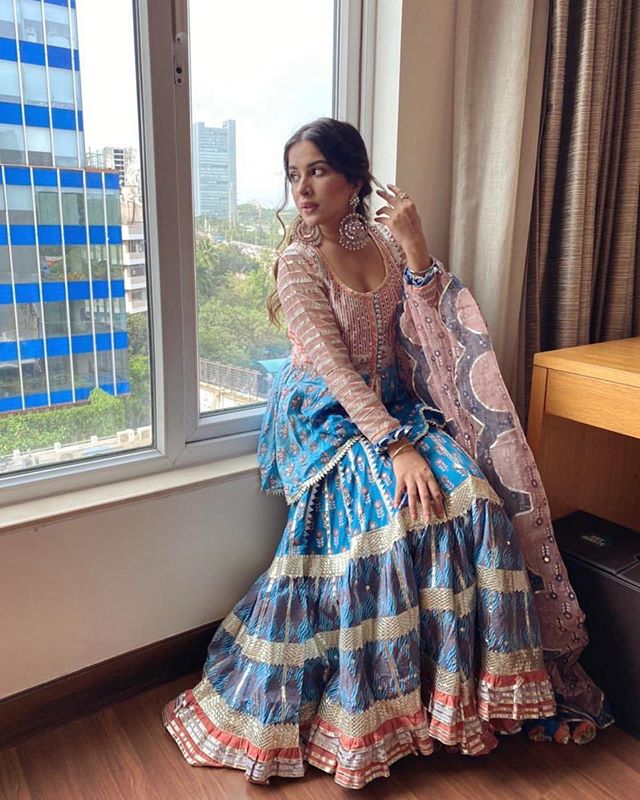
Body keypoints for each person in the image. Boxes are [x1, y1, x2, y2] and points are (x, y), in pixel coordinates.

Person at [163, 118, 611, 789]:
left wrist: (416, 243)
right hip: (326, 418)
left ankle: (464, 699)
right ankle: (384, 714)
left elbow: (434, 325)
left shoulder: (380, 242)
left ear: (353, 177)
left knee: (479, 504)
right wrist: (398, 448)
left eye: (316, 170)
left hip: (398, 406)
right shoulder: (298, 263)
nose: (302, 188)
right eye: (293, 175)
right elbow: (337, 372)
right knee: (397, 522)